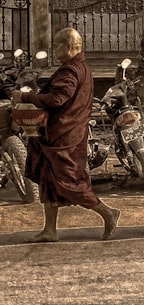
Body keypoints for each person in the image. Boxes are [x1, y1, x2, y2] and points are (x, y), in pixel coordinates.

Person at [17, 27, 120, 242]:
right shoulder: (78, 67)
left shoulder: (71, 71)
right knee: (48, 180)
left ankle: (108, 212)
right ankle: (50, 230)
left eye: (57, 46)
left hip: (65, 136)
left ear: (70, 46)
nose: (55, 50)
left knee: (69, 182)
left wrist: (27, 98)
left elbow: (57, 100)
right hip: (60, 132)